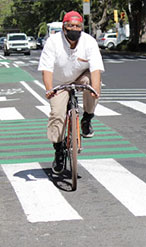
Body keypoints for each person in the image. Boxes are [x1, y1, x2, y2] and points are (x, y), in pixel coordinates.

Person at [38, 11, 105, 174]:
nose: (74, 29)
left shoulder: (89, 42)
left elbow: (95, 68)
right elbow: (46, 69)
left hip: (81, 76)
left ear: (82, 27)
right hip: (59, 82)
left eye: (77, 26)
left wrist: (95, 91)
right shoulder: (53, 42)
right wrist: (49, 90)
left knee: (92, 86)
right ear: (64, 27)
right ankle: (59, 150)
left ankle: (87, 119)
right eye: (70, 26)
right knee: (57, 114)